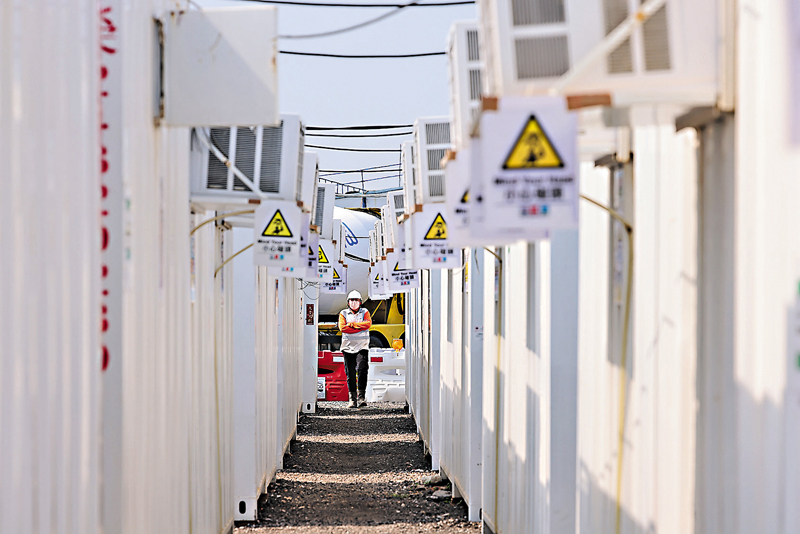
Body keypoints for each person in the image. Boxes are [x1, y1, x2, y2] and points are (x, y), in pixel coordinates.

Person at [338, 290, 372, 408]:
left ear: (360, 302)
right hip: (347, 347)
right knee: (350, 373)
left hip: (362, 346)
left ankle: (361, 396)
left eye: (356, 300)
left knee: (362, 369)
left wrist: (351, 325)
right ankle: (352, 399)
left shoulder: (365, 312)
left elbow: (367, 324)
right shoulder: (343, 313)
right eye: (351, 300)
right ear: (348, 302)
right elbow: (343, 328)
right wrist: (358, 327)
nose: (354, 302)